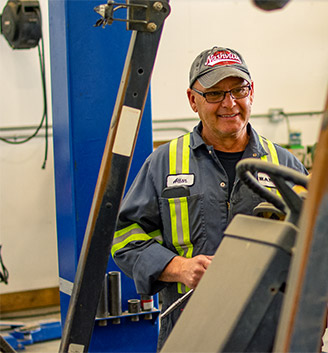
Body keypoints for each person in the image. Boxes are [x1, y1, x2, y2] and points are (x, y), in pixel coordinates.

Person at [111, 46, 308, 350]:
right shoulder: (163, 164)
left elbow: (313, 248)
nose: (229, 103)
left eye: (238, 90)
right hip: (190, 330)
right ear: (193, 100)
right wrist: (179, 267)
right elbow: (125, 238)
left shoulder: (284, 167)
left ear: (251, 92)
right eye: (215, 93)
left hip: (269, 332)